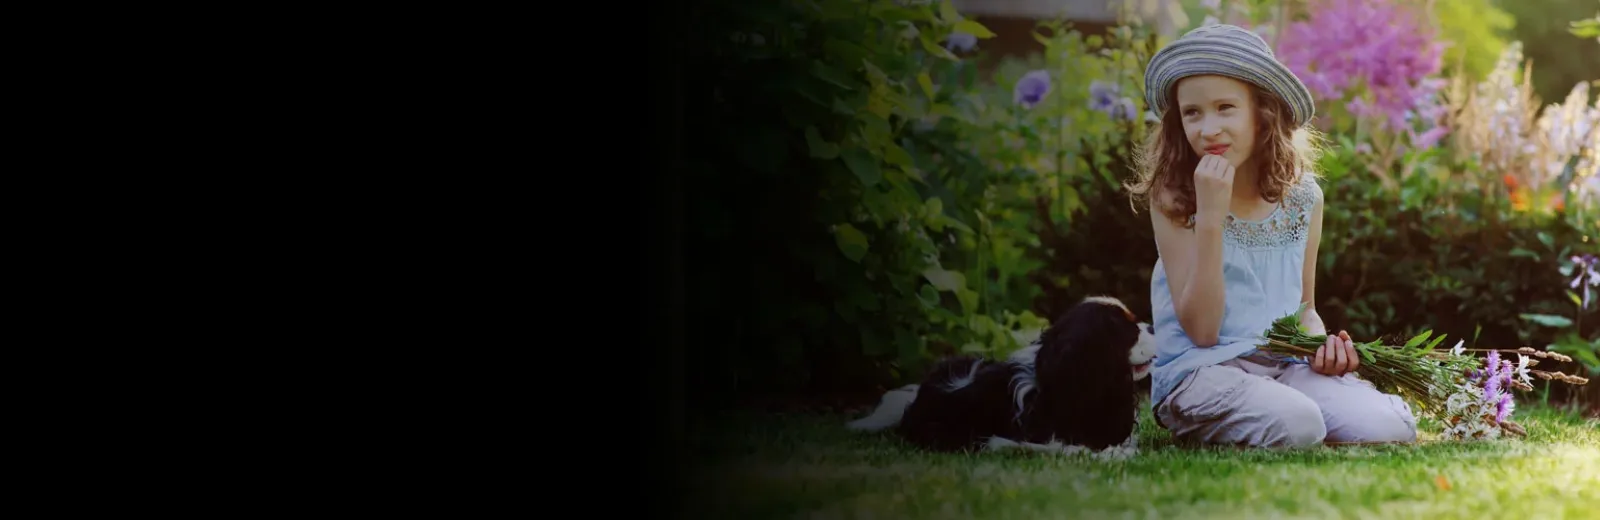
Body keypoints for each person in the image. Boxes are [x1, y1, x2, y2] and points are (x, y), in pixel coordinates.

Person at [1123, 24, 1417, 448]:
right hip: (1202, 372)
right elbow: (1203, 331)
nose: (1208, 128)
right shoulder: (1173, 197)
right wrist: (1209, 218)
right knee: (1300, 424)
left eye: (1225, 107)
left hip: (1283, 367)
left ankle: (1290, 403)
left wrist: (1321, 348)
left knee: (1390, 426)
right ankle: (1262, 411)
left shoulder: (1303, 198)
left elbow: (1304, 311)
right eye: (1192, 112)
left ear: (1262, 113)